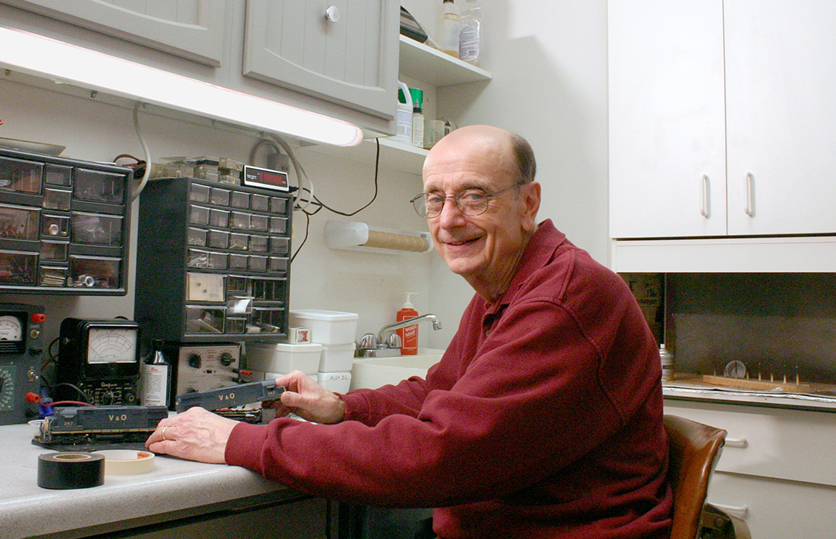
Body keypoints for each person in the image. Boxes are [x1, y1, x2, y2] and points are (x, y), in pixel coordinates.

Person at [146, 125, 673, 538]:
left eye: (474, 196)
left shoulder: (562, 299)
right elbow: (440, 395)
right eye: (435, 199)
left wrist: (243, 440)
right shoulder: (509, 286)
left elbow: (440, 455)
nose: (448, 221)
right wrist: (344, 408)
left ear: (528, 203)